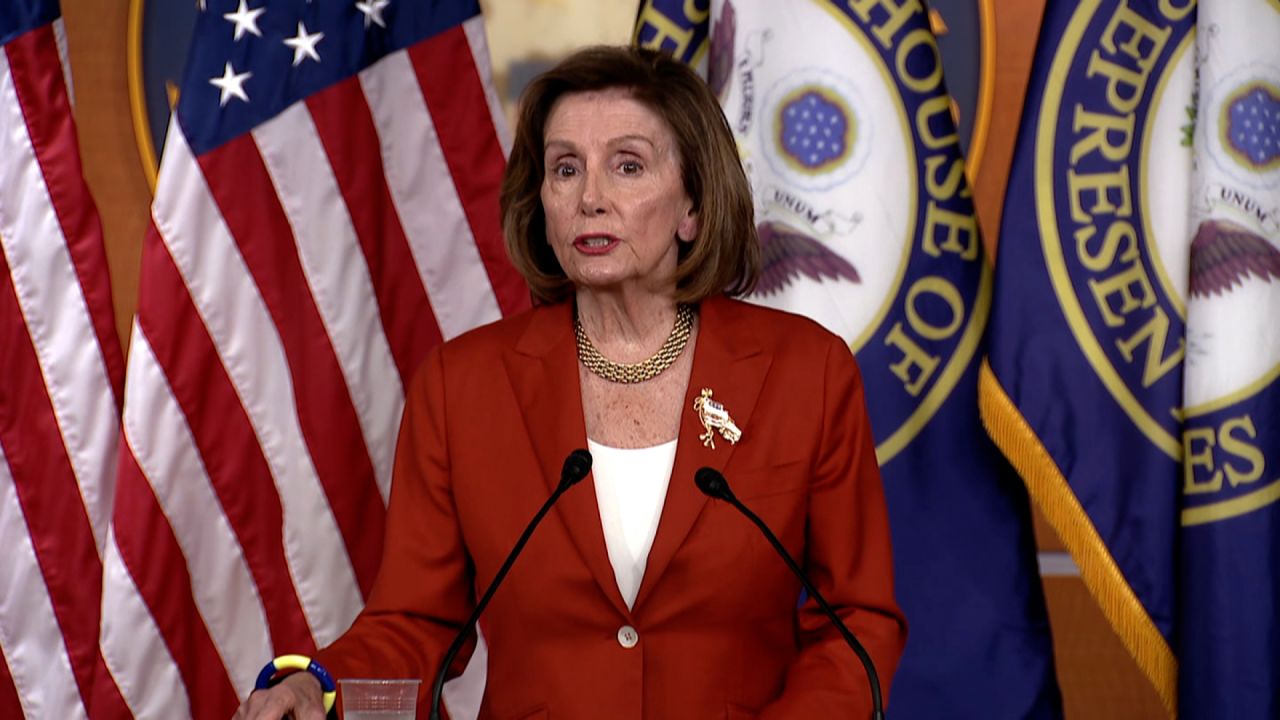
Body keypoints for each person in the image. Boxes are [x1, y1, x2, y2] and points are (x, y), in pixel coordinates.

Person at [235, 45, 906, 720]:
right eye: (565, 170)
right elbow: (416, 623)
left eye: (628, 166)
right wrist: (314, 685)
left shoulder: (804, 373)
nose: (590, 197)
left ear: (693, 207)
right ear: (542, 205)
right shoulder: (463, 387)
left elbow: (857, 619)